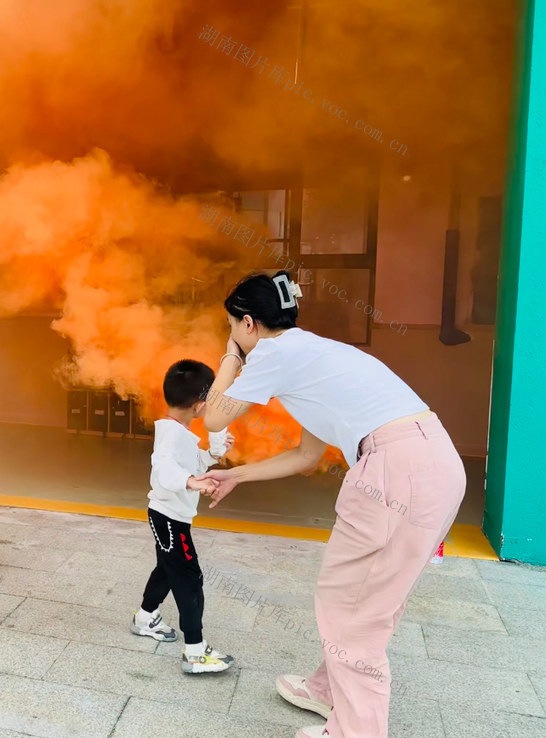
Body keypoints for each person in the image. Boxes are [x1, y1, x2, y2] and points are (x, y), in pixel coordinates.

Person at [199, 271, 466, 738]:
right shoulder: (319, 353)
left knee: (349, 604)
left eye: (231, 324)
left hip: (395, 468)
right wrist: (236, 474)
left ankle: (356, 732)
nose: (232, 333)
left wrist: (231, 354)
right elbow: (306, 456)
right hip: (436, 464)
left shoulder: (275, 352)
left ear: (248, 322)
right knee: (371, 596)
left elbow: (215, 415)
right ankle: (328, 691)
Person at [130, 359, 235, 673]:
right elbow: (165, 468)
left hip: (167, 517)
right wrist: (190, 482)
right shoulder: (171, 436)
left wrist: (211, 456)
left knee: (167, 569)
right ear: (200, 406)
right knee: (190, 579)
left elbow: (188, 464)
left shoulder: (177, 430)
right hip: (170, 519)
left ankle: (146, 617)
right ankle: (196, 651)